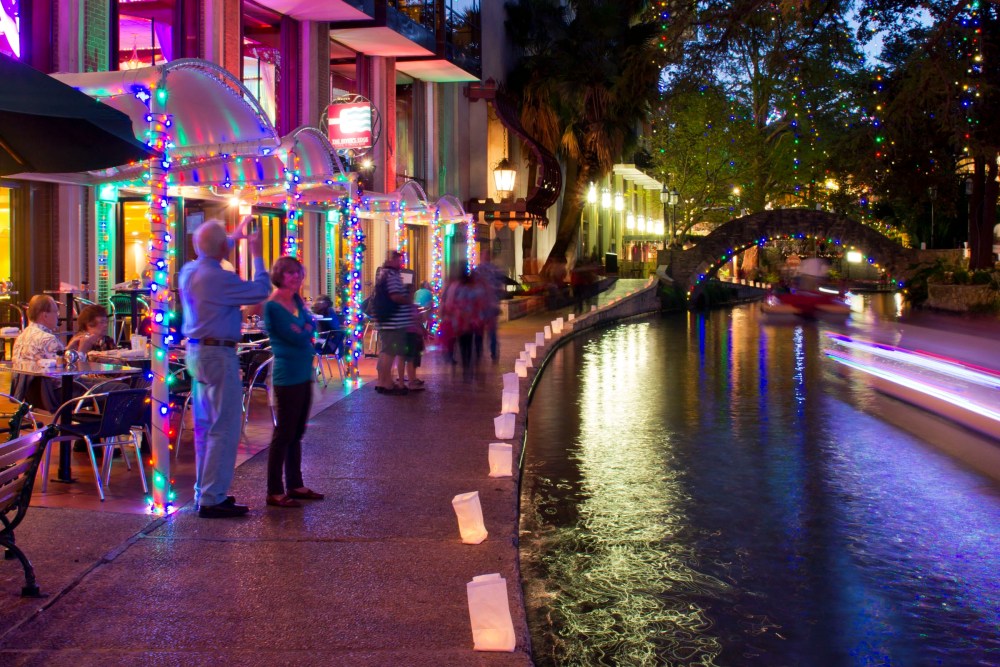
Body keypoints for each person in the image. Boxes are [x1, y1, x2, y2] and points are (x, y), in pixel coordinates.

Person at [179, 215, 270, 519]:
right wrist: (256, 253)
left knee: (205, 426)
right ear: (221, 248)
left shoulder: (189, 271)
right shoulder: (217, 278)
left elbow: (212, 248)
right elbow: (260, 290)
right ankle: (212, 497)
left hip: (196, 353)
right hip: (218, 354)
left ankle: (206, 492)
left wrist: (233, 236)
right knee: (225, 427)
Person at [262, 256, 325, 508]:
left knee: (297, 431)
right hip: (287, 374)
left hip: (303, 371)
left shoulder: (297, 300)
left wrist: (306, 329)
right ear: (280, 275)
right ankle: (274, 490)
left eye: (298, 272)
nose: (296, 277)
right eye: (290, 273)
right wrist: (306, 330)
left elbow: (309, 327)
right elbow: (295, 336)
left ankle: (295, 484)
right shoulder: (273, 306)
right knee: (284, 432)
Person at [10, 294, 64, 411]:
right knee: (109, 388)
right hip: (53, 395)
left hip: (30, 396)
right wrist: (82, 353)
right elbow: (65, 376)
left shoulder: (21, 337)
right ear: (45, 315)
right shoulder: (48, 339)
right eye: (56, 312)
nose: (58, 316)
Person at [373, 251, 412, 395]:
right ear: (393, 260)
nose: (401, 263)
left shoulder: (382, 274)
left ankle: (382, 381)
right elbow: (395, 296)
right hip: (393, 321)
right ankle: (386, 383)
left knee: (385, 352)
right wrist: (408, 300)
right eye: (399, 260)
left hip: (384, 319)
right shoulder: (392, 275)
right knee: (390, 352)